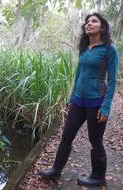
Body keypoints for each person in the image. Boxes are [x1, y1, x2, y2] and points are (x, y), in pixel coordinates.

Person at [37, 12, 119, 187]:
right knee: (66, 136)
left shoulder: (109, 49)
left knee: (95, 140)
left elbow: (112, 81)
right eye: (87, 21)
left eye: (94, 21)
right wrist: (71, 97)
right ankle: (55, 170)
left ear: (102, 27)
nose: (89, 24)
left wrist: (105, 108)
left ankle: (98, 177)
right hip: (78, 101)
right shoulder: (84, 48)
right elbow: (78, 75)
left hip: (97, 102)